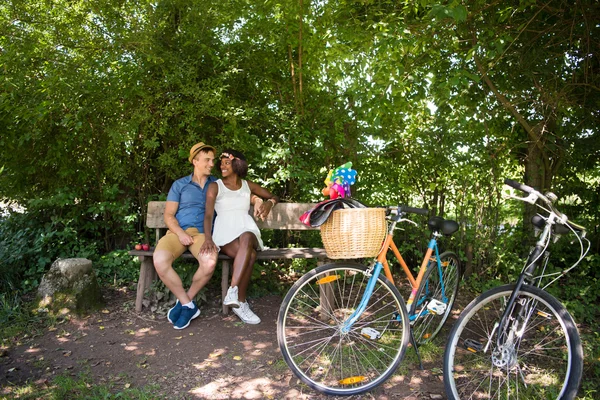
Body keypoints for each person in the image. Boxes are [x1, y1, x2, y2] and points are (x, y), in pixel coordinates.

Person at [201, 149, 279, 324]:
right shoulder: (215, 186)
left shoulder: (247, 185)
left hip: (245, 229)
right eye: (221, 163)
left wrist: (269, 203)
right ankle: (240, 302)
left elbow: (274, 195)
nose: (222, 166)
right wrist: (207, 238)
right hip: (225, 232)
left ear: (237, 164)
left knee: (247, 235)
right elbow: (207, 215)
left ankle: (233, 292)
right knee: (250, 255)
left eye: (226, 163)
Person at [153, 142, 219, 330]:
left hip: (203, 235)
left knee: (210, 263)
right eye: (207, 160)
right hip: (177, 232)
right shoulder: (180, 185)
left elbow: (240, 192)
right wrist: (180, 233)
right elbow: (168, 215)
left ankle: (185, 303)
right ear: (195, 161)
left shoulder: (216, 185)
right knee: (159, 261)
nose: (211, 164)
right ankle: (188, 305)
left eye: (212, 160)